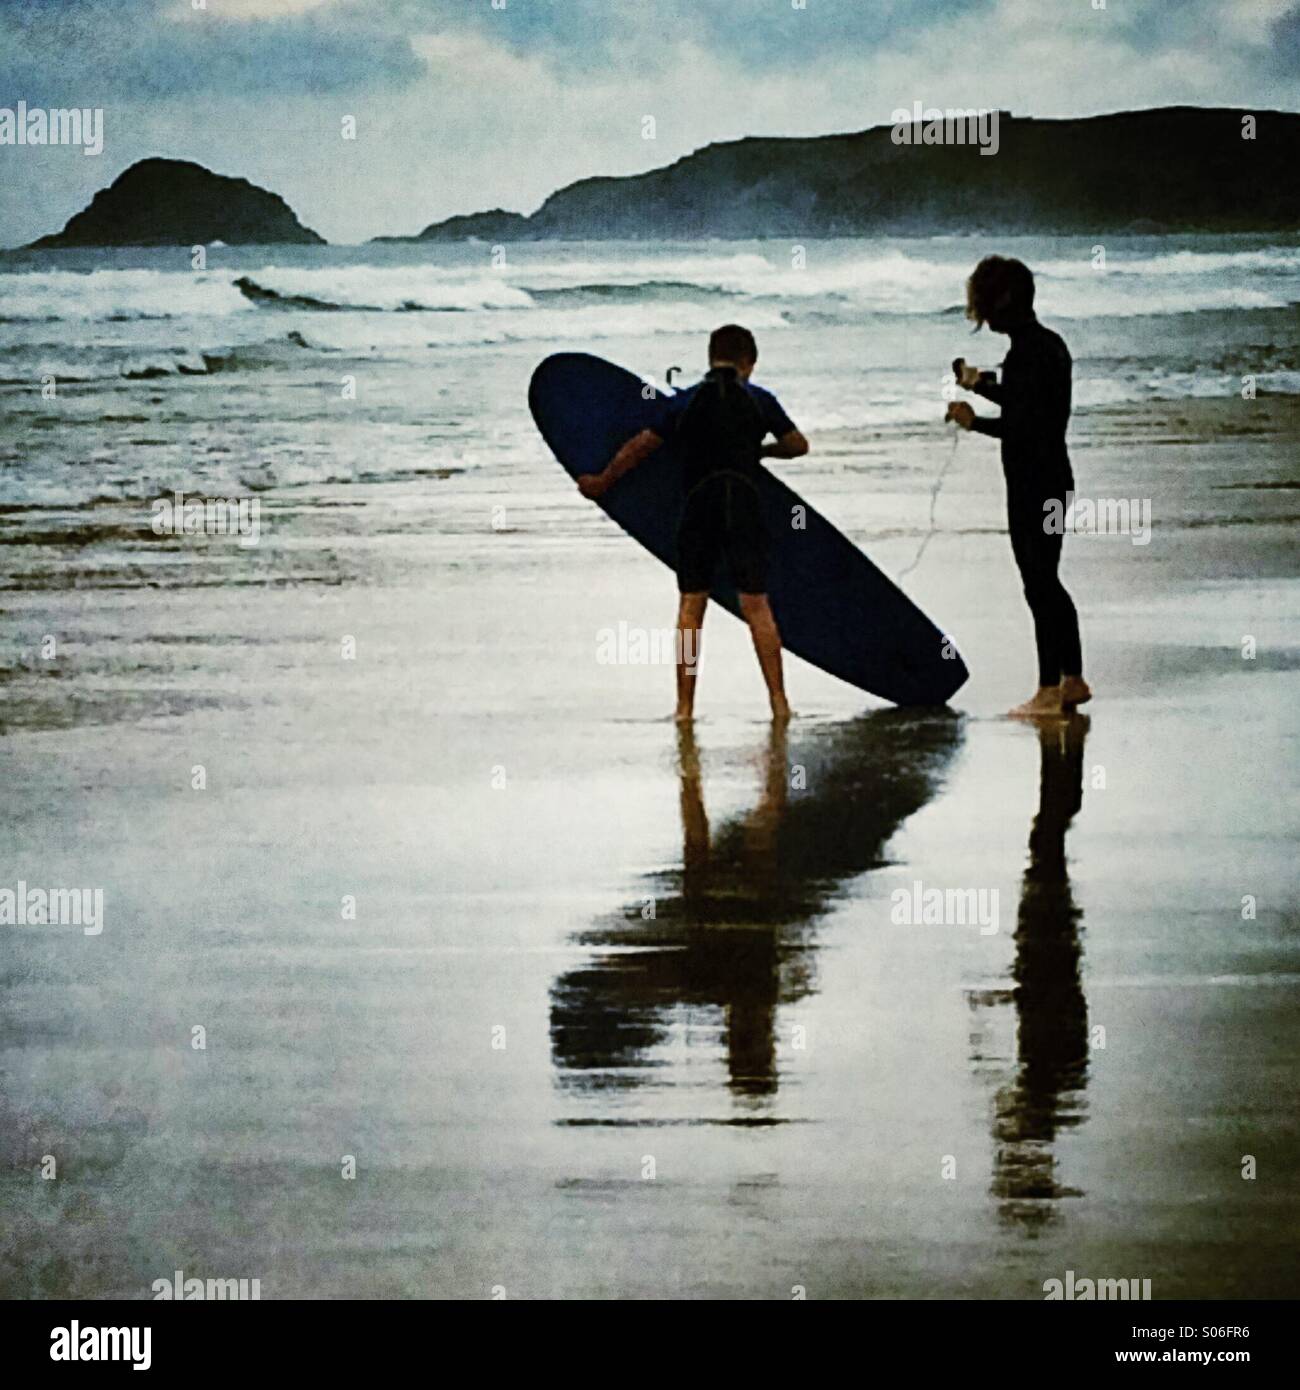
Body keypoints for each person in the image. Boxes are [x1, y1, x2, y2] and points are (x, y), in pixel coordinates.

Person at [577, 324, 809, 722]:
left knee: (691, 608)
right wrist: (762, 452)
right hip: (744, 504)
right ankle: (779, 704)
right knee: (756, 604)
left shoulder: (684, 402)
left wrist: (603, 480)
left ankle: (684, 709)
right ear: (749, 362)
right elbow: (798, 445)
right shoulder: (759, 400)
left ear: (710, 357)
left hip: (699, 506)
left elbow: (641, 447)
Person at [945, 256, 1092, 718]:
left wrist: (974, 424)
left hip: (1033, 482)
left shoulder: (1027, 351)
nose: (983, 318)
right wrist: (978, 384)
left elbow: (1023, 423)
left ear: (1002, 301)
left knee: (1039, 584)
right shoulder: (1046, 345)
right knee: (1047, 582)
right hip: (1055, 477)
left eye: (985, 306)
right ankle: (1072, 678)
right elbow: (1024, 397)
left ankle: (1049, 689)